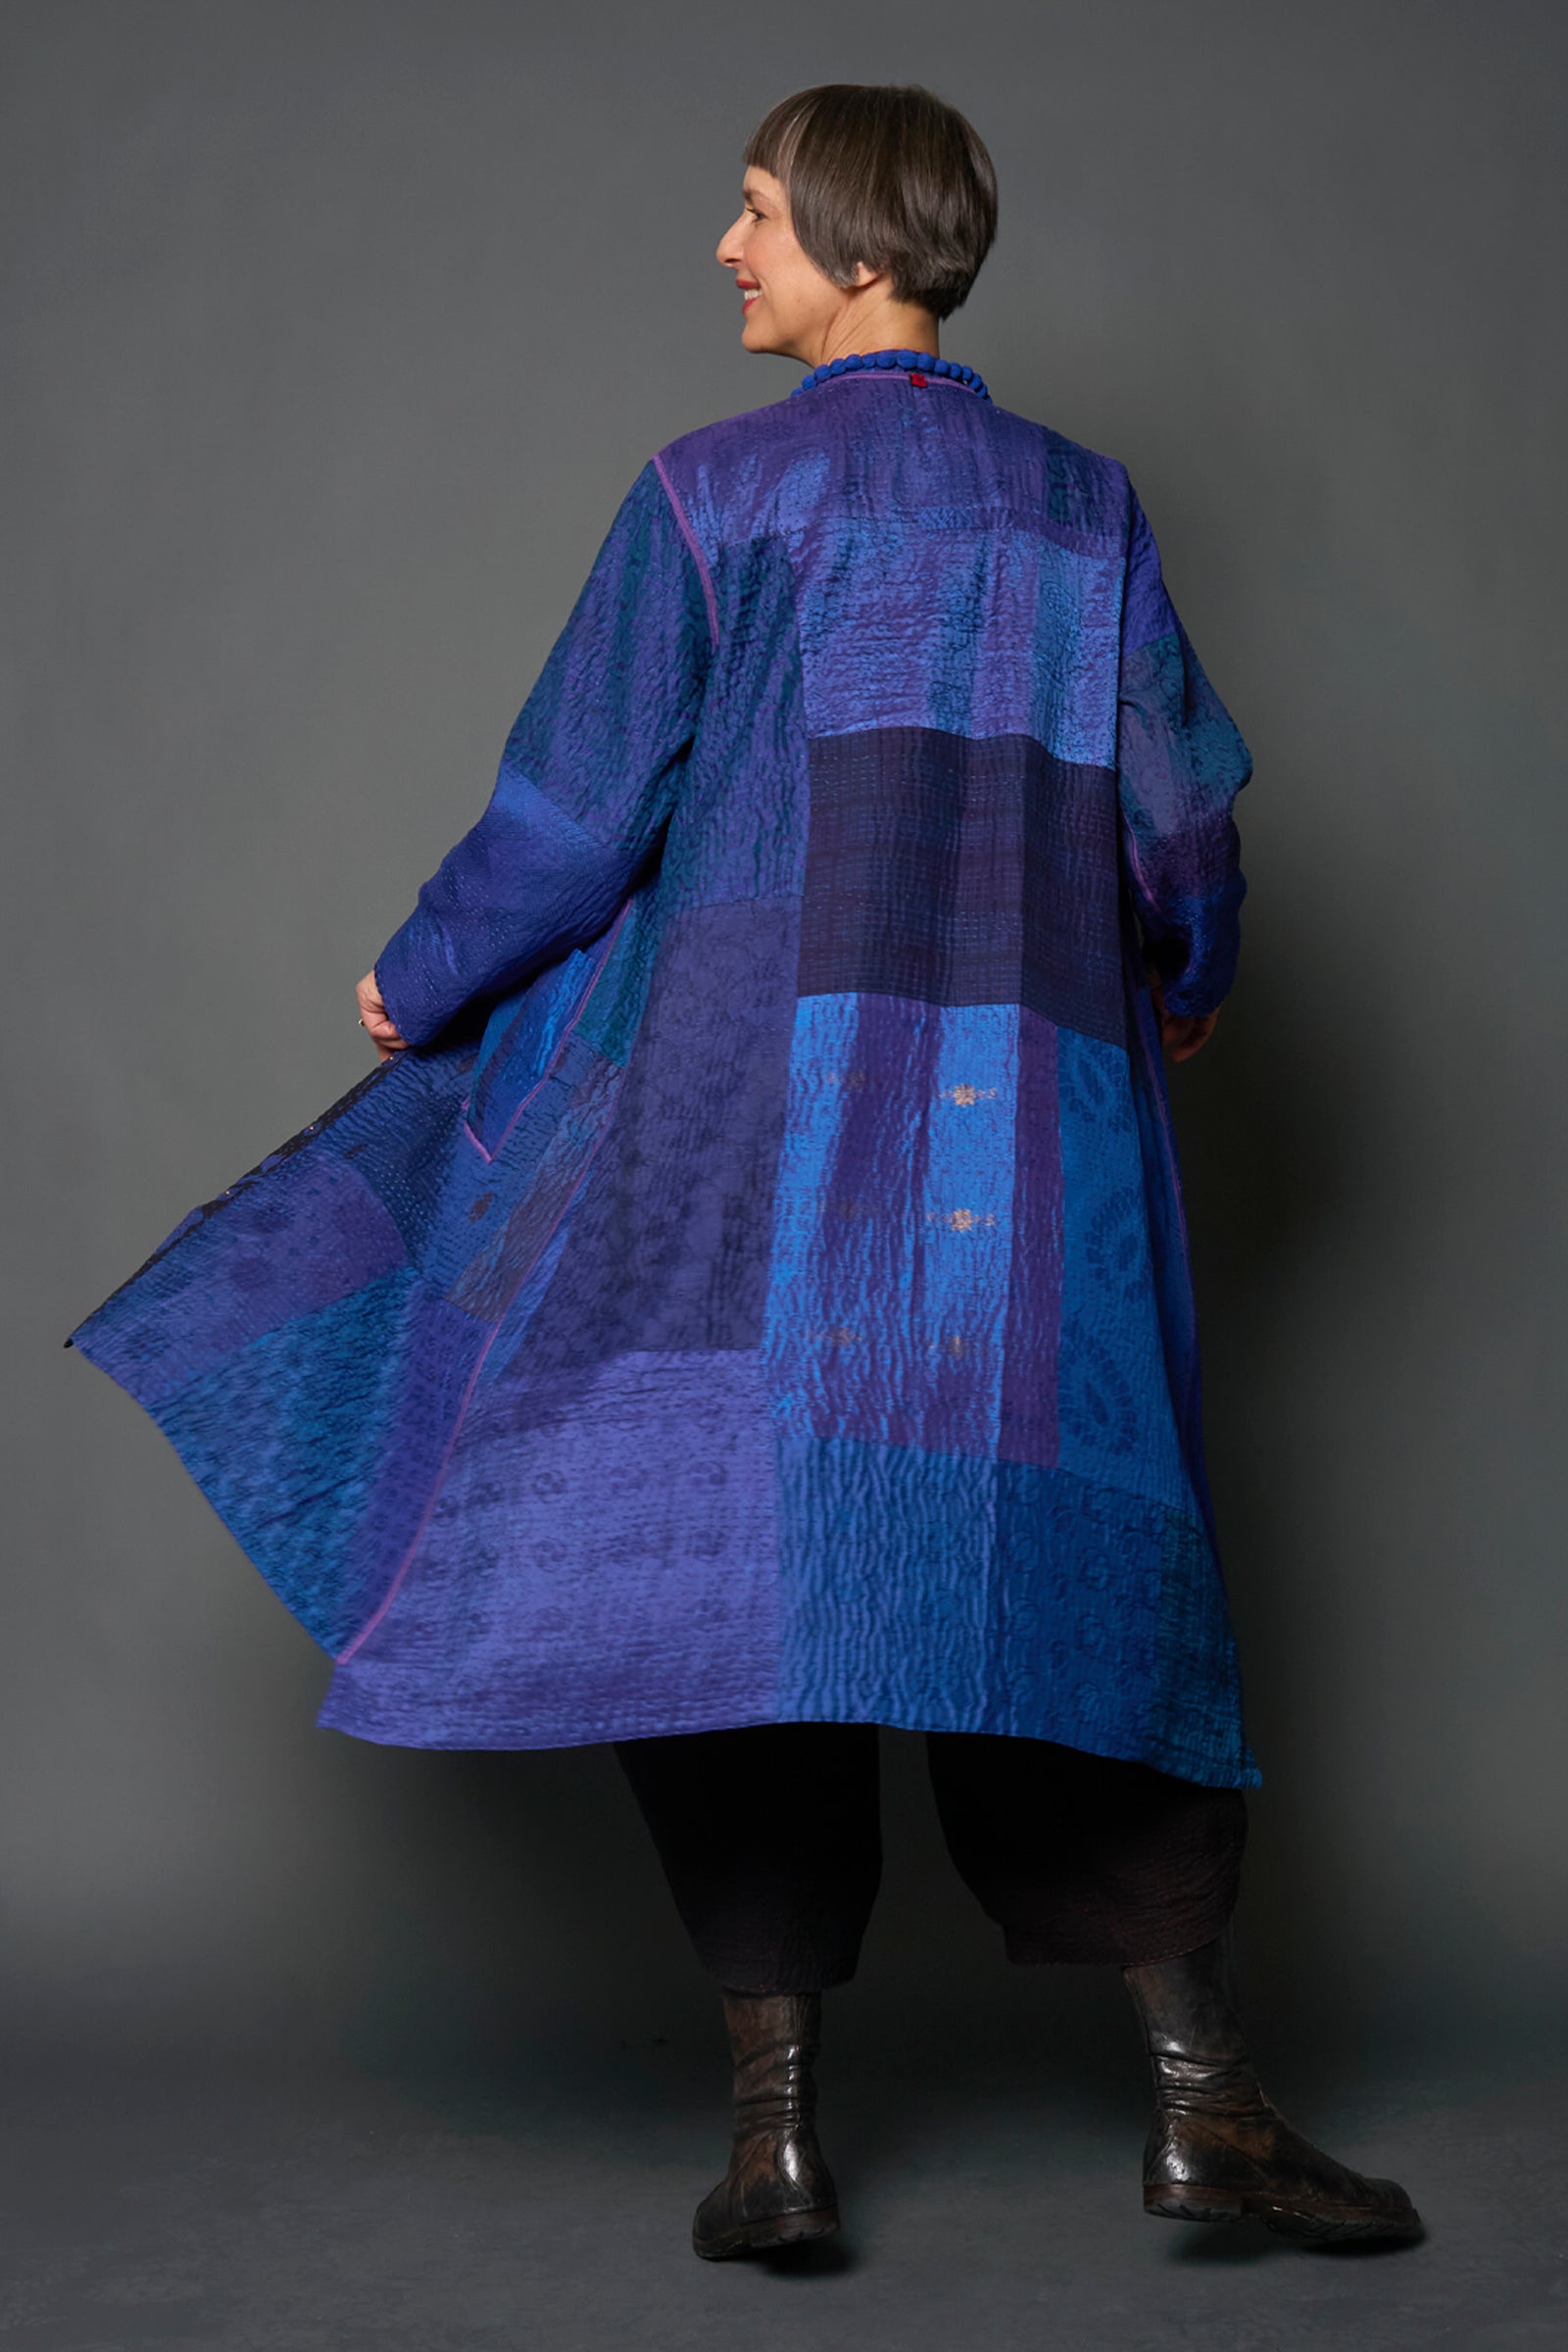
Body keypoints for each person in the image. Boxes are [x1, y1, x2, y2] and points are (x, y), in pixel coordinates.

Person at [71, 82, 1418, 2262]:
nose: (727, 245)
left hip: (735, 1145)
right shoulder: (1079, 512)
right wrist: (1186, 971)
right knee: (1059, 1587)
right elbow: (1180, 816)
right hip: (1011, 1161)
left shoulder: (716, 495)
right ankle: (1206, 2110)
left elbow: (574, 809)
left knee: (741, 1596)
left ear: (862, 252)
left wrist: (423, 975)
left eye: (760, 213)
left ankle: (773, 2142)